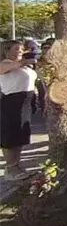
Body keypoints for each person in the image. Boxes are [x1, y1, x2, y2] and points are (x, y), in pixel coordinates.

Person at [0, 40, 37, 181]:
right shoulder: (5, 64)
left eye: (21, 49)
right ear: (6, 51)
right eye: (16, 49)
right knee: (10, 136)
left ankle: (17, 165)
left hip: (26, 100)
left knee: (21, 135)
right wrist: (27, 61)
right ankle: (10, 168)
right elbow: (11, 67)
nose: (20, 51)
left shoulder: (23, 66)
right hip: (12, 102)